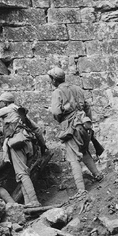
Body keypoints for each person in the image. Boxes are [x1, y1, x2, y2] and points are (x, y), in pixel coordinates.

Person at [0, 92, 46, 207]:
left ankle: (34, 201)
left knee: (21, 174)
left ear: (5, 102)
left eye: (0, 103)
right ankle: (28, 203)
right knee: (22, 173)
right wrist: (43, 146)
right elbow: (37, 129)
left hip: (16, 143)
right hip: (28, 144)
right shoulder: (20, 112)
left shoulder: (9, 109)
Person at [48, 67, 103, 196]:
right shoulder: (77, 89)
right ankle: (98, 175)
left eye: (51, 79)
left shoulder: (57, 92)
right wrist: (87, 121)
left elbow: (56, 112)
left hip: (72, 127)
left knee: (73, 158)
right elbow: (87, 107)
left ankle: (81, 190)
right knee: (84, 151)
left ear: (54, 80)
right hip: (84, 125)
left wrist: (62, 119)